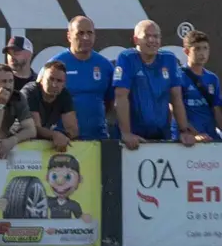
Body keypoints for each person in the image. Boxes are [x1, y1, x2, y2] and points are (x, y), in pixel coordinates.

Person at [113, 20, 195, 150]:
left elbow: (176, 98)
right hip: (133, 140)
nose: (152, 40)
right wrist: (126, 133)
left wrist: (184, 130)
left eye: (156, 36)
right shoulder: (127, 58)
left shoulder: (169, 59)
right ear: (136, 40)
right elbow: (120, 97)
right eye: (147, 36)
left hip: (162, 136)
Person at [43, 16, 114, 140]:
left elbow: (112, 102)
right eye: (80, 33)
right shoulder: (54, 66)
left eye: (89, 33)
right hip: (63, 142)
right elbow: (40, 101)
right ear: (69, 36)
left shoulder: (105, 65)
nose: (85, 37)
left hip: (98, 139)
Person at [172, 30, 222, 141]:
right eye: (197, 49)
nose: (202, 53)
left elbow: (216, 108)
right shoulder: (178, 76)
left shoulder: (212, 78)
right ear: (186, 51)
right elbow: (173, 108)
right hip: (186, 140)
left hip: (210, 137)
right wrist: (194, 134)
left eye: (205, 48)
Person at [21, 61, 78, 152]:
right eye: (51, 79)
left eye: (59, 81)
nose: (54, 84)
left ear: (64, 83)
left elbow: (73, 130)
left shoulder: (64, 94)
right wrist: (55, 135)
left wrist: (63, 138)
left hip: (37, 144)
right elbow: (34, 128)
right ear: (41, 80)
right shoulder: (30, 92)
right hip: (15, 138)